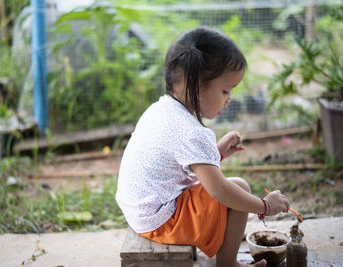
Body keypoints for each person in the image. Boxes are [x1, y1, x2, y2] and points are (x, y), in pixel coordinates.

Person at [116, 26, 290, 267]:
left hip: (140, 210)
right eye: (225, 90)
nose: (229, 98)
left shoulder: (160, 109)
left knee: (230, 195)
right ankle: (227, 263)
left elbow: (183, 163)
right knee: (238, 187)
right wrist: (265, 205)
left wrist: (216, 153)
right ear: (196, 85)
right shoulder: (193, 132)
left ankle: (225, 230)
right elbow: (219, 190)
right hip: (161, 221)